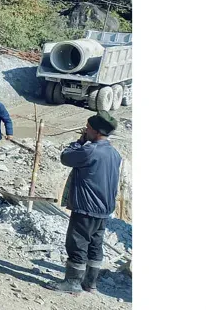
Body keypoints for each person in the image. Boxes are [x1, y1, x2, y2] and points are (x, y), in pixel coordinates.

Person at [48, 111, 121, 294]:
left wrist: (79, 141)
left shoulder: (90, 150)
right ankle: (90, 283)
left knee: (77, 244)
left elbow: (66, 157)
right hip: (104, 209)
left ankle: (73, 283)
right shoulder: (114, 153)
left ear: (96, 132)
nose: (85, 130)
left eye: (88, 128)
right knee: (95, 245)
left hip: (86, 207)